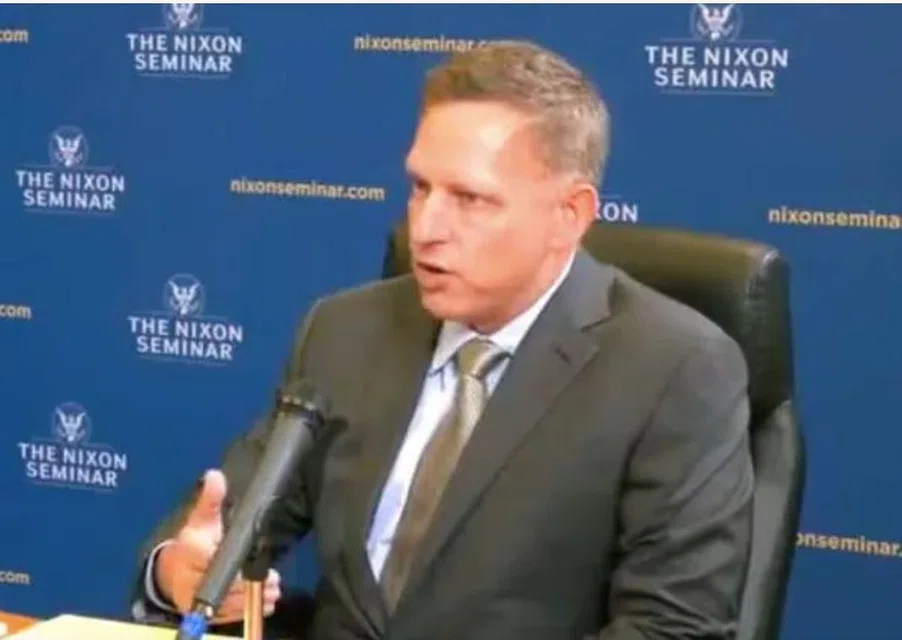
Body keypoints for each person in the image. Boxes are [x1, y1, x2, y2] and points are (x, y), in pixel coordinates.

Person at [130, 40, 754, 640]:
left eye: (471, 199)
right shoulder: (343, 331)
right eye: (420, 187)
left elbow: (673, 628)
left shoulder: (674, 368)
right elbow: (228, 519)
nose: (425, 228)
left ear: (570, 215)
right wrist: (180, 571)